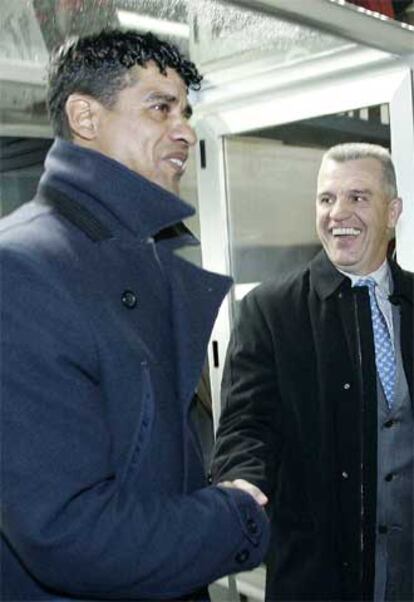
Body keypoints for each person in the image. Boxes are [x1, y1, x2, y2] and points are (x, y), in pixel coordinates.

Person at [0, 30, 269, 600]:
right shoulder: (20, 269)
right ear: (85, 117)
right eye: (160, 107)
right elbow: (65, 531)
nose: (185, 130)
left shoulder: (122, 254)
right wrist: (234, 515)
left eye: (187, 111)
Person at [212, 143, 413, 601]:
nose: (338, 212)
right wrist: (240, 479)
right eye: (327, 198)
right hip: (319, 580)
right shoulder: (270, 310)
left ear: (392, 211)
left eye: (358, 197)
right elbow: (246, 425)